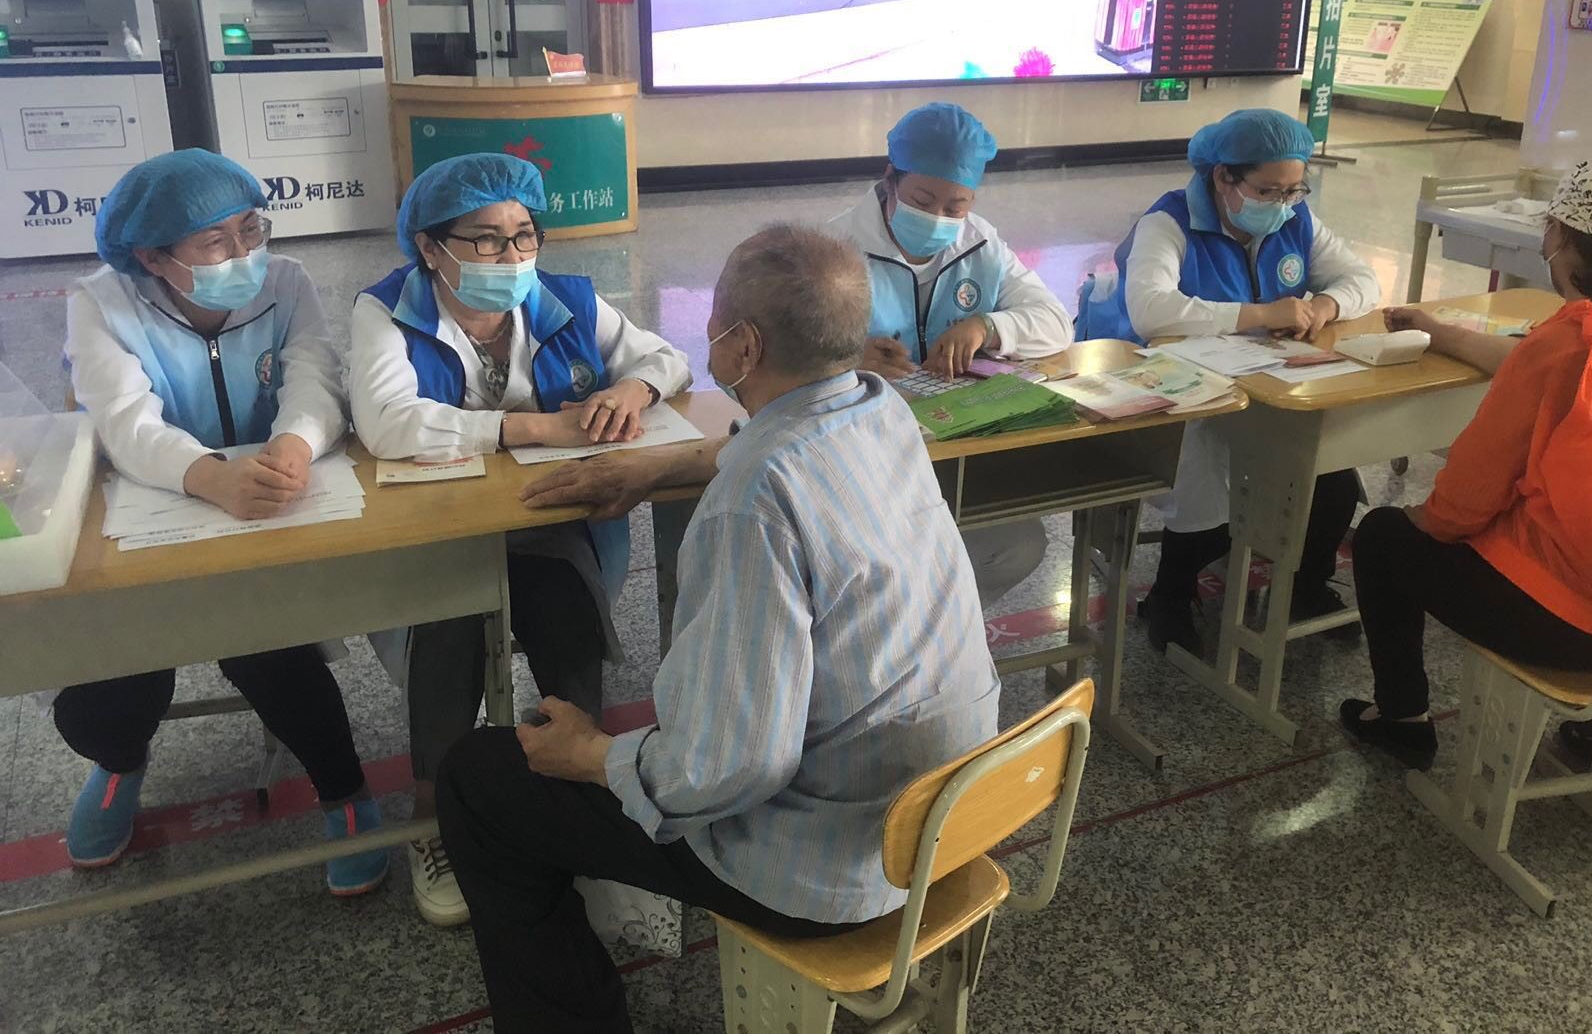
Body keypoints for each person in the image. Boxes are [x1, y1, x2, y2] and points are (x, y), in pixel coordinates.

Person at [436, 224, 1002, 1032]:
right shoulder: (883, 411)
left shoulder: (751, 508)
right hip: (944, 817)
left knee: (480, 779)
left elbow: (732, 767)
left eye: (714, 320)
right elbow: (768, 442)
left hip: (822, 870)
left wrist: (594, 756)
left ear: (742, 347)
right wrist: (659, 467)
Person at [348, 152, 689, 928]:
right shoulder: (387, 309)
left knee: (564, 606)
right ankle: (434, 814)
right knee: (451, 621)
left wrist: (630, 388)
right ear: (429, 246)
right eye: (486, 239)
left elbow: (666, 358)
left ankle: (575, 785)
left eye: (524, 235)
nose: (512, 257)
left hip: (548, 521)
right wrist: (535, 428)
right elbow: (388, 423)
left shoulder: (564, 298)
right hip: (439, 529)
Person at [59, 148, 385, 894]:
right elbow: (122, 420)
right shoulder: (101, 303)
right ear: (152, 257)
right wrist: (208, 476)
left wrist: (295, 444)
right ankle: (120, 764)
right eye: (215, 241)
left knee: (270, 653)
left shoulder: (286, 280)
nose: (244, 253)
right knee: (111, 694)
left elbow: (314, 375)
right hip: (157, 509)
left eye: (251, 229)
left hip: (268, 508)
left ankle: (345, 793)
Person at [1341, 160, 1592, 769]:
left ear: (1559, 235)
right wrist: (1439, 332)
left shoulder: (1564, 344)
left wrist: (1421, 525)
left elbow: (1464, 499)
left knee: (1382, 535)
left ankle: (1402, 718)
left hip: (1579, 626)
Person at [1075, 109, 1382, 653]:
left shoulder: (1295, 220)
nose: (1283, 204)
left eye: (1294, 190)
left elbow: (1361, 279)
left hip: (1262, 380)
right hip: (1169, 383)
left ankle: (1306, 585)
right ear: (1223, 177)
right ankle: (1171, 593)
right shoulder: (1169, 222)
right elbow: (1151, 309)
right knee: (1203, 475)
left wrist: (1326, 304)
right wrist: (1258, 315)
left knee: (1330, 479)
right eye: (1267, 191)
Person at [828, 101, 1072, 607]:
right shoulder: (834, 250)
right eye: (923, 200)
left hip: (957, 455)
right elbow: (766, 361)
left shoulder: (980, 245)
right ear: (890, 179)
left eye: (955, 207)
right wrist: (844, 358)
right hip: (862, 462)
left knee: (1017, 546)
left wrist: (988, 326)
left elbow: (1055, 322)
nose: (939, 218)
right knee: (872, 565)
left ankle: (941, 632)